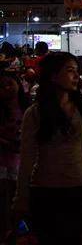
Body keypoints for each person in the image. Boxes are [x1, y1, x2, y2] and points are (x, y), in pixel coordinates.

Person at [13, 52, 82, 244]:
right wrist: (21, 199)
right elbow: (26, 159)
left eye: (77, 71)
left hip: (79, 185)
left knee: (75, 237)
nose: (77, 76)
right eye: (70, 71)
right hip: (46, 189)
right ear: (53, 76)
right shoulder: (34, 113)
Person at [0, 72, 27, 235]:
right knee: (3, 198)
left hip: (21, 161)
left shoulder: (29, 109)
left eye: (10, 83)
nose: (7, 88)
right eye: (2, 86)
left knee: (17, 200)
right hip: (2, 160)